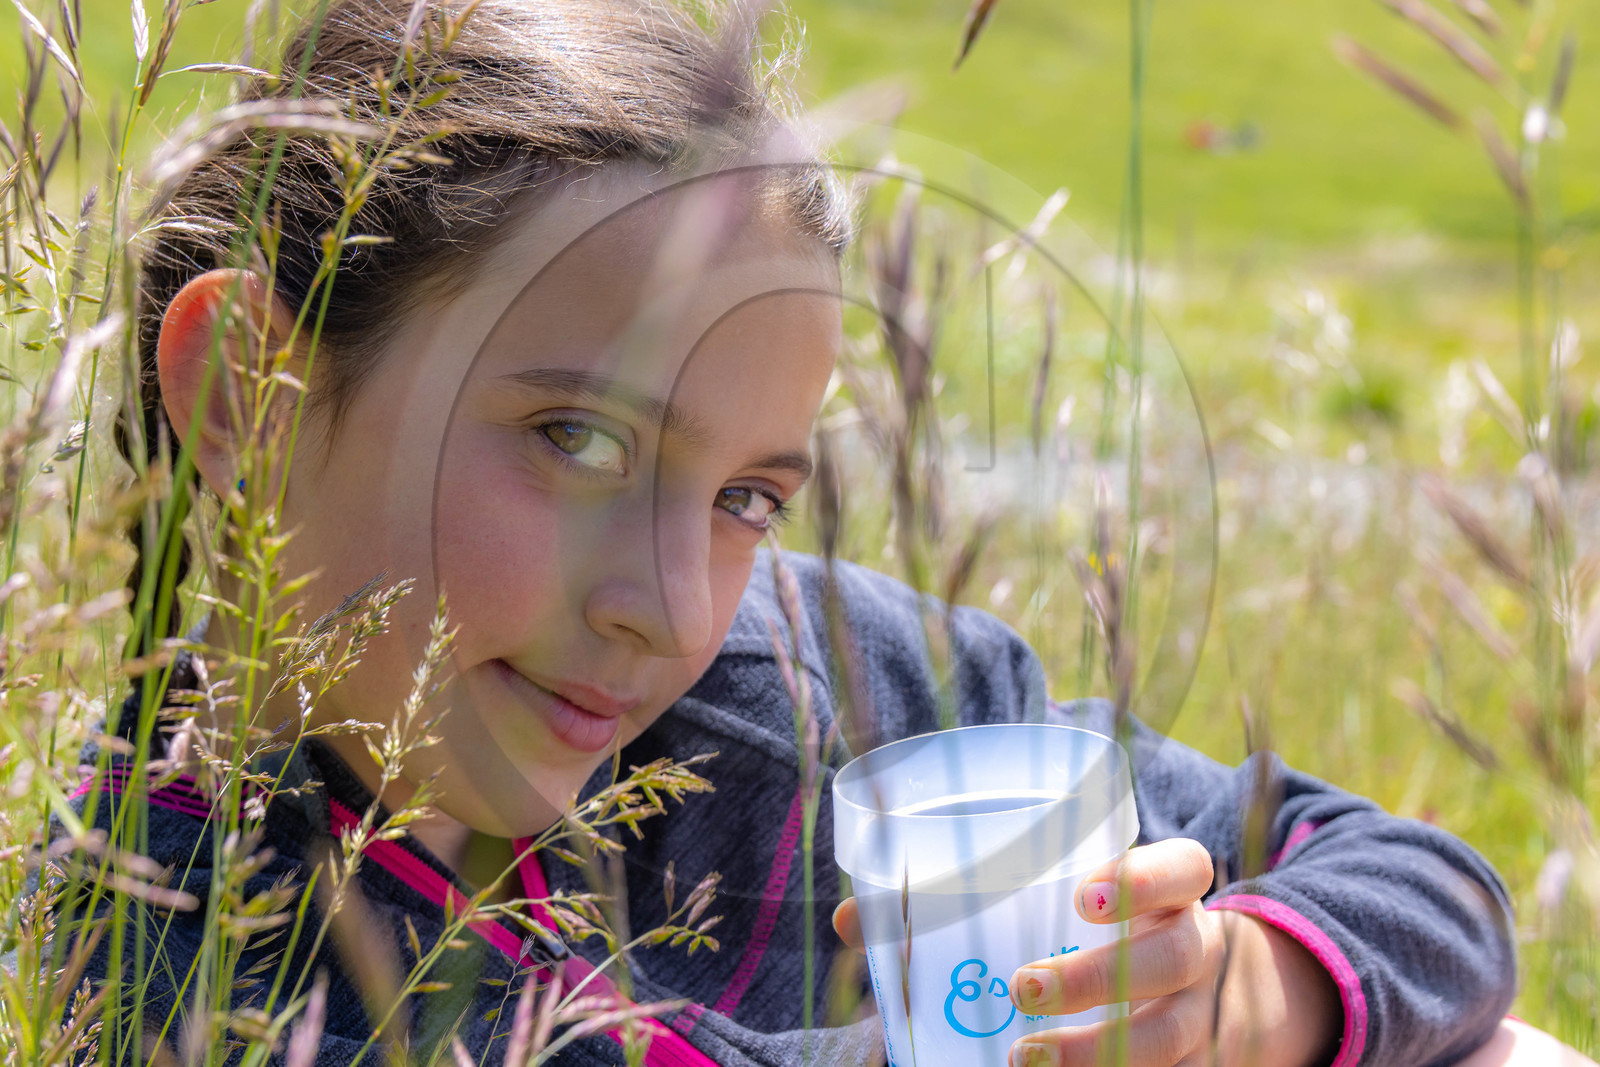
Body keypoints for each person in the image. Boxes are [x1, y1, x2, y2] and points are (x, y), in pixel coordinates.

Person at [43, 0, 1583, 1063]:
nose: (666, 606)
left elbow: (1412, 878)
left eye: (744, 499)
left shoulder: (824, 679)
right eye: (575, 441)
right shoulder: (140, 933)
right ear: (246, 392)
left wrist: (1241, 997)